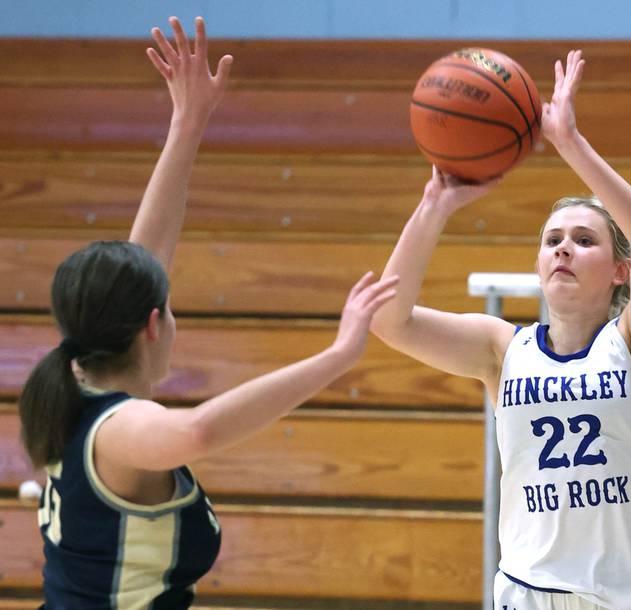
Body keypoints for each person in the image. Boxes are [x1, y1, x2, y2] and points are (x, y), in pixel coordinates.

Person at [19, 17, 397, 609]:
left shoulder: (70, 379)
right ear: (153, 324)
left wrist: (188, 122)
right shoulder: (121, 431)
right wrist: (338, 355)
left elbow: (141, 264)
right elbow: (198, 429)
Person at [370, 50, 631, 610]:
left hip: (630, 598)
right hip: (527, 595)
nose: (564, 247)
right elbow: (387, 319)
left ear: (621, 270)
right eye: (552, 240)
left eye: (584, 239)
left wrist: (571, 145)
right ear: (540, 265)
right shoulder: (502, 349)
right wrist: (434, 205)